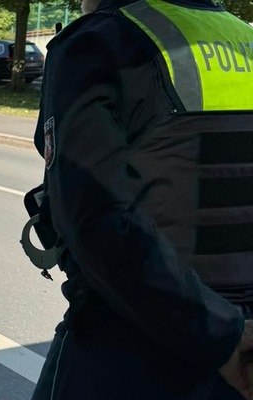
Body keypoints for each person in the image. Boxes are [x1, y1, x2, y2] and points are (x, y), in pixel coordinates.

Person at [26, 0, 253, 398]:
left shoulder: (97, 41)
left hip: (142, 340)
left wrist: (221, 335)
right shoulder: (244, 39)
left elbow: (96, 217)